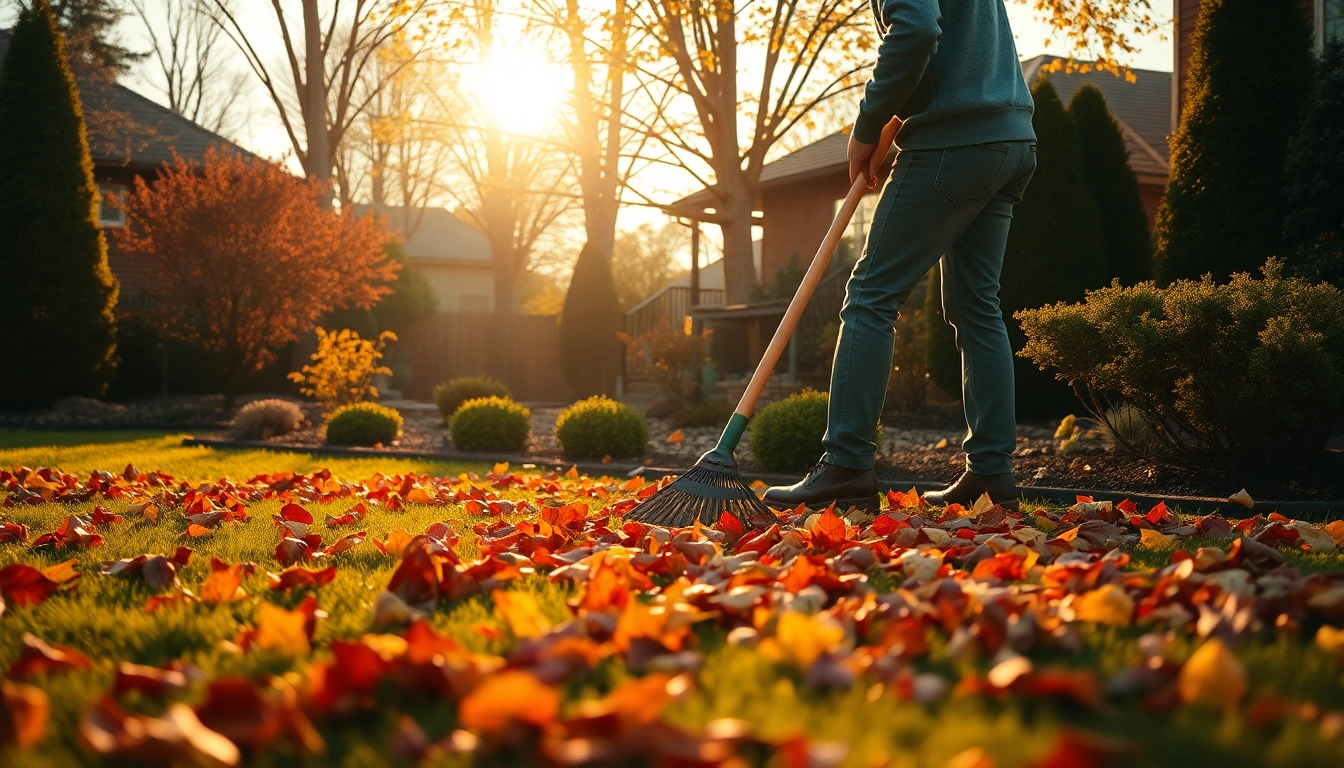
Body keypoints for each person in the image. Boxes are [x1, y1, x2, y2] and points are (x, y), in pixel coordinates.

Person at [764, 0, 1037, 513]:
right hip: (1011, 137)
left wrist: (868, 125)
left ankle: (846, 462)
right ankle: (991, 473)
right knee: (977, 306)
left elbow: (915, 29)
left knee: (871, 295)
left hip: (953, 141)